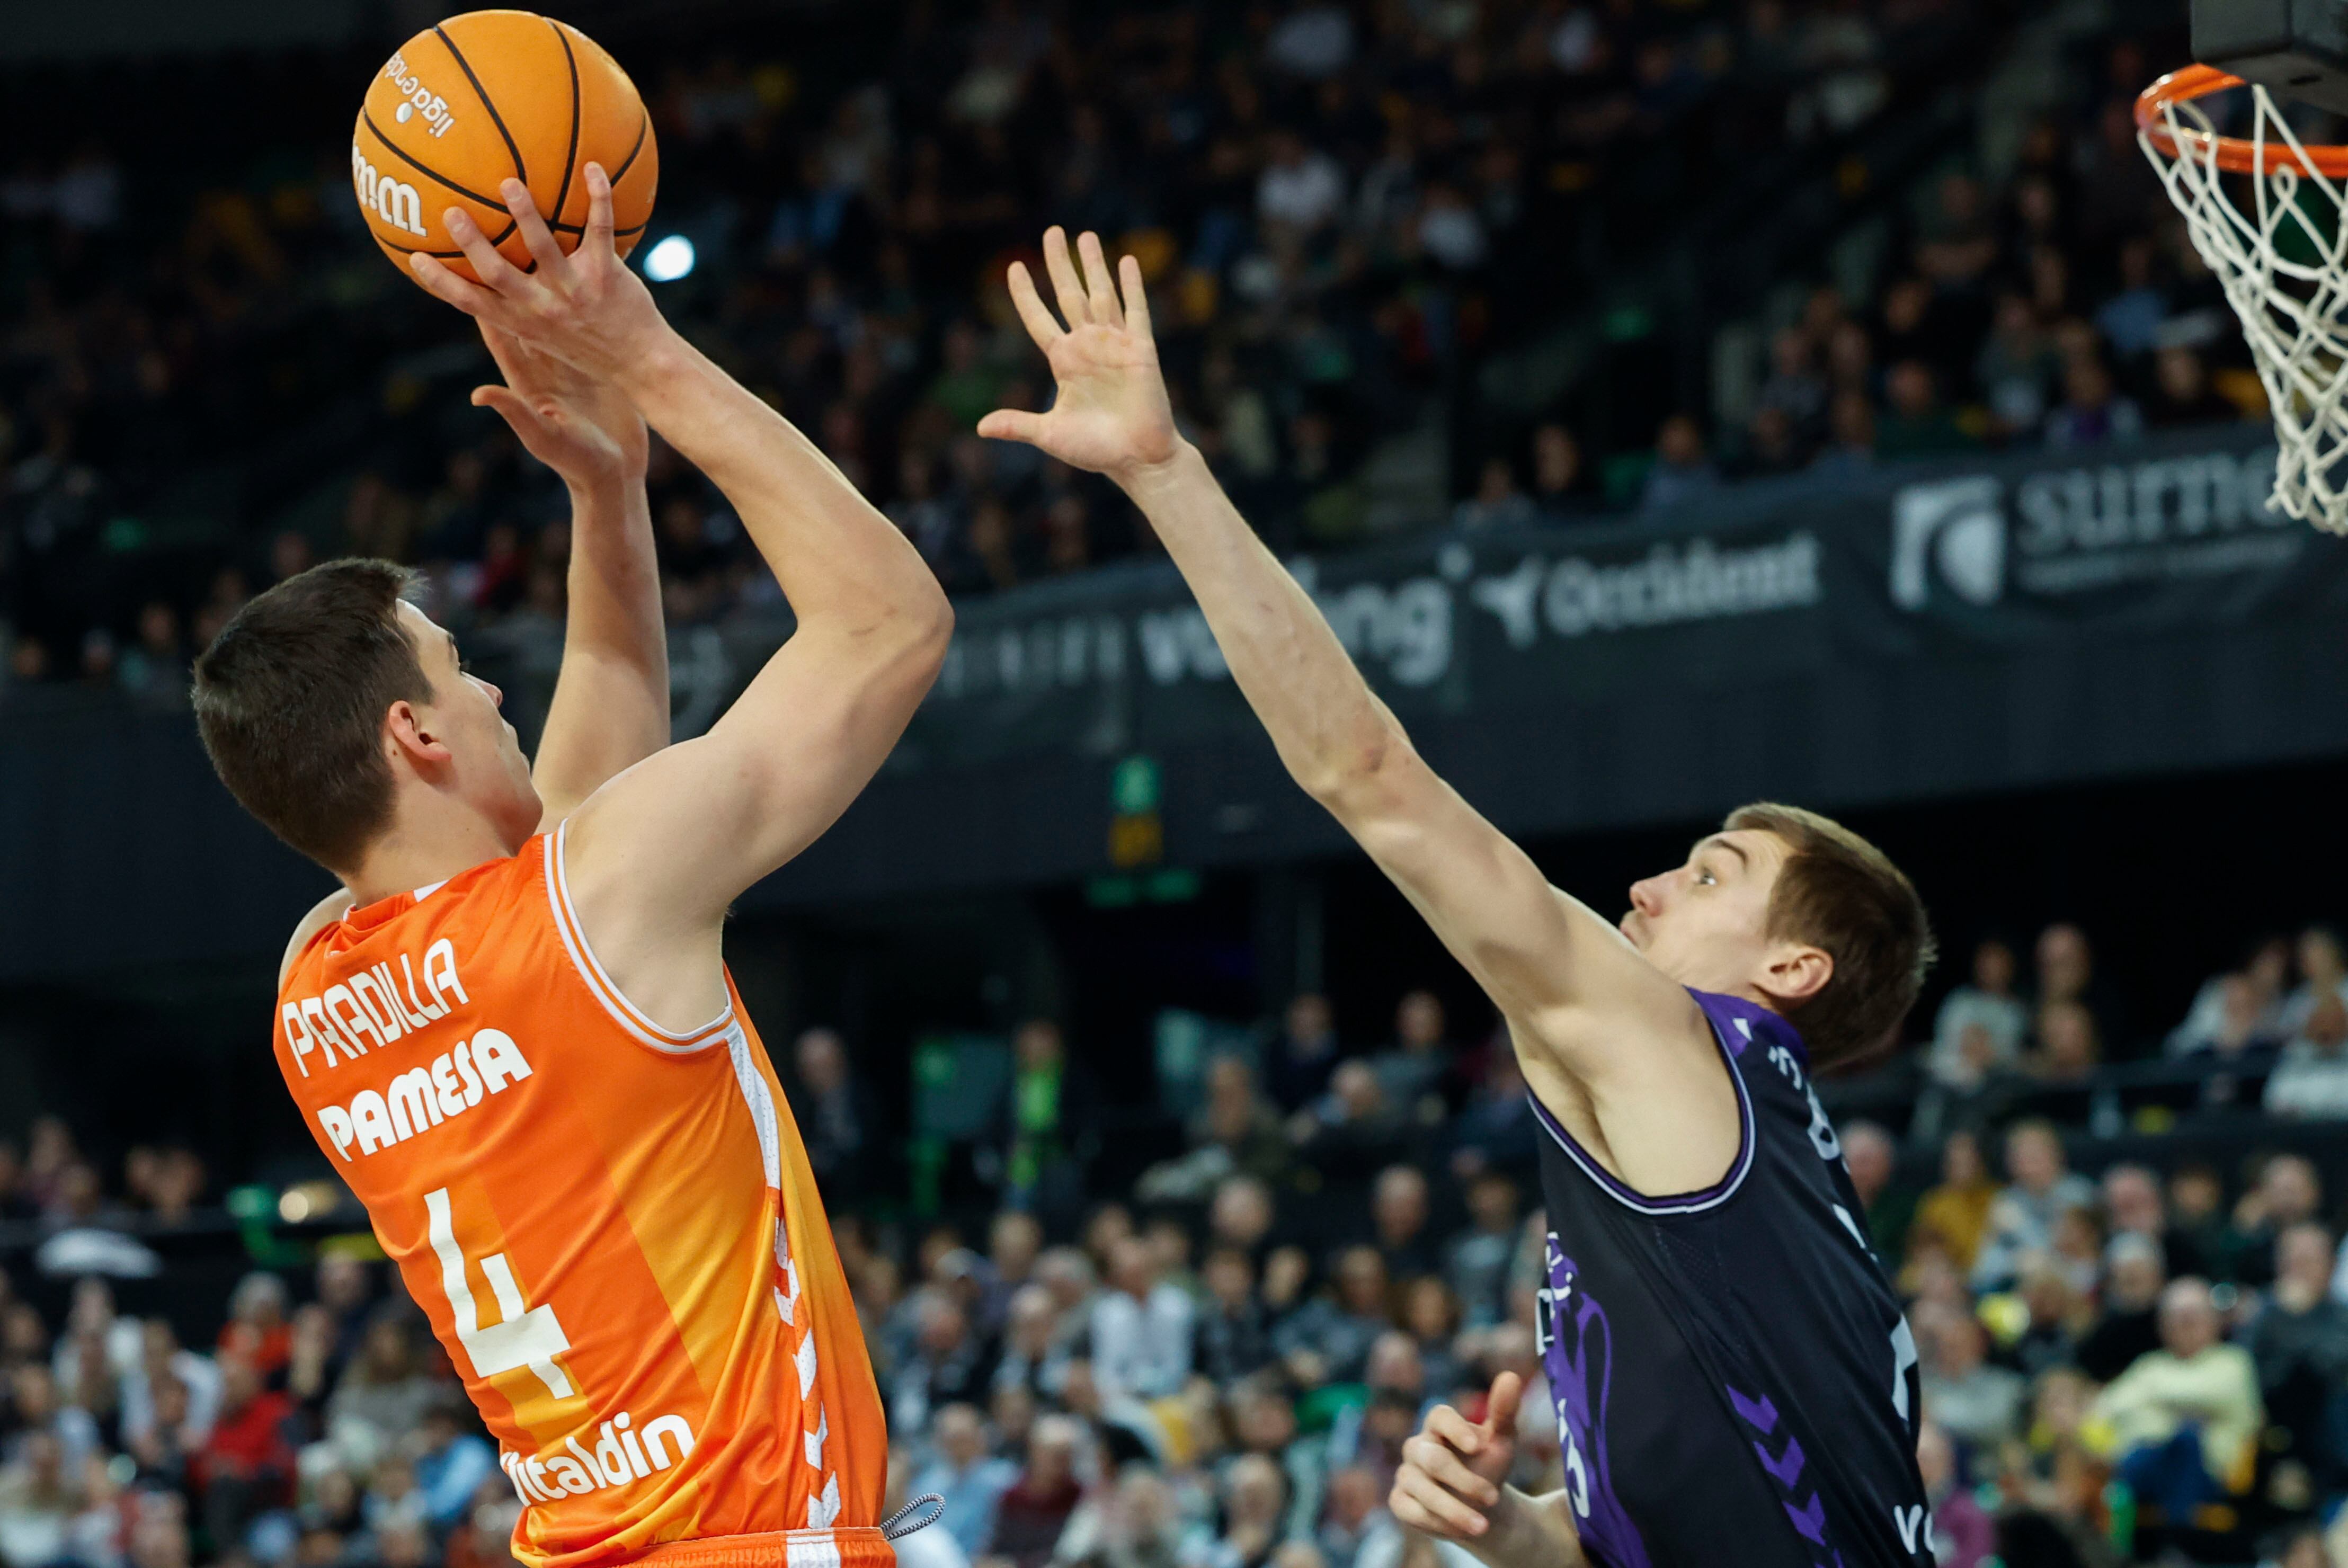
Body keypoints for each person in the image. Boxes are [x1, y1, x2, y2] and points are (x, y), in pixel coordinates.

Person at [981, 226, 1936, 1567]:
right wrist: (1520, 1529)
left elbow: (1364, 773)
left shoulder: (1683, 1045)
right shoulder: (1773, 1193)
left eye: (1711, 874)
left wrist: (1163, 470)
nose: (1648, 885)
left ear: (1789, 972)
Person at [193, 172, 951, 1567]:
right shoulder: (584, 899)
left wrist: (611, 495)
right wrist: (643, 359)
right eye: (465, 674)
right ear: (413, 734)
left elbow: (574, 807)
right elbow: (890, 623)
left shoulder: (315, 988)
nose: (496, 697)